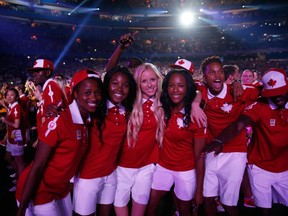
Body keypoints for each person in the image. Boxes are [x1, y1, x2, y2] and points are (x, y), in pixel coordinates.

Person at [16, 69, 103, 216]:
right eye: (87, 93)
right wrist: (22, 208)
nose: (93, 97)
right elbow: (37, 166)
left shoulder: (88, 119)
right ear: (75, 94)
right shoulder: (59, 120)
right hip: (40, 190)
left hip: (60, 189)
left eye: (97, 92)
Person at [204, 68, 288, 216]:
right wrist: (219, 140)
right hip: (260, 166)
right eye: (273, 94)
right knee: (264, 210)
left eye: (281, 91)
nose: (278, 97)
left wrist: (236, 82)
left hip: (286, 167)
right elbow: (239, 124)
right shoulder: (259, 106)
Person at [197, 56, 258, 216]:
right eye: (212, 72)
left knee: (228, 202)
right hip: (211, 151)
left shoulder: (240, 91)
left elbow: (267, 91)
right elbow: (186, 85)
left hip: (235, 153)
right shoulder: (201, 92)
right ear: (204, 77)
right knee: (208, 199)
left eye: (220, 72)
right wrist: (194, 102)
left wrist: (238, 82)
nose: (217, 76)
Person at [73, 66, 137, 216]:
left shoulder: (126, 111)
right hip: (87, 177)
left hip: (111, 175)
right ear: (106, 85)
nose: (120, 88)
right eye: (114, 83)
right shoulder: (93, 107)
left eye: (125, 85)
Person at [146, 69, 206, 216]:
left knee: (184, 210)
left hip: (185, 170)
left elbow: (200, 156)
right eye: (171, 85)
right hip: (163, 166)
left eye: (180, 85)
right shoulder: (164, 107)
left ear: (187, 88)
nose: (175, 90)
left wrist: (199, 190)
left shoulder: (196, 116)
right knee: (151, 206)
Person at [114, 63, 164, 216]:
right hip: (122, 166)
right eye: (144, 81)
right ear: (138, 84)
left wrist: (195, 103)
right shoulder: (127, 103)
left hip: (146, 166)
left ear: (158, 80)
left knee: (139, 208)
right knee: (119, 204)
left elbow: (194, 90)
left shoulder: (164, 102)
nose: (149, 85)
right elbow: (108, 82)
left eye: (152, 79)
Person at [0, 88, 26, 186]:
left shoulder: (16, 107)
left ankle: (21, 183)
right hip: (12, 137)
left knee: (20, 162)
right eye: (7, 95)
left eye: (12, 95)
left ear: (16, 97)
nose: (9, 97)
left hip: (17, 139)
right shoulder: (11, 106)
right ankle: (19, 174)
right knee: (8, 158)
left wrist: (4, 120)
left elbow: (16, 125)